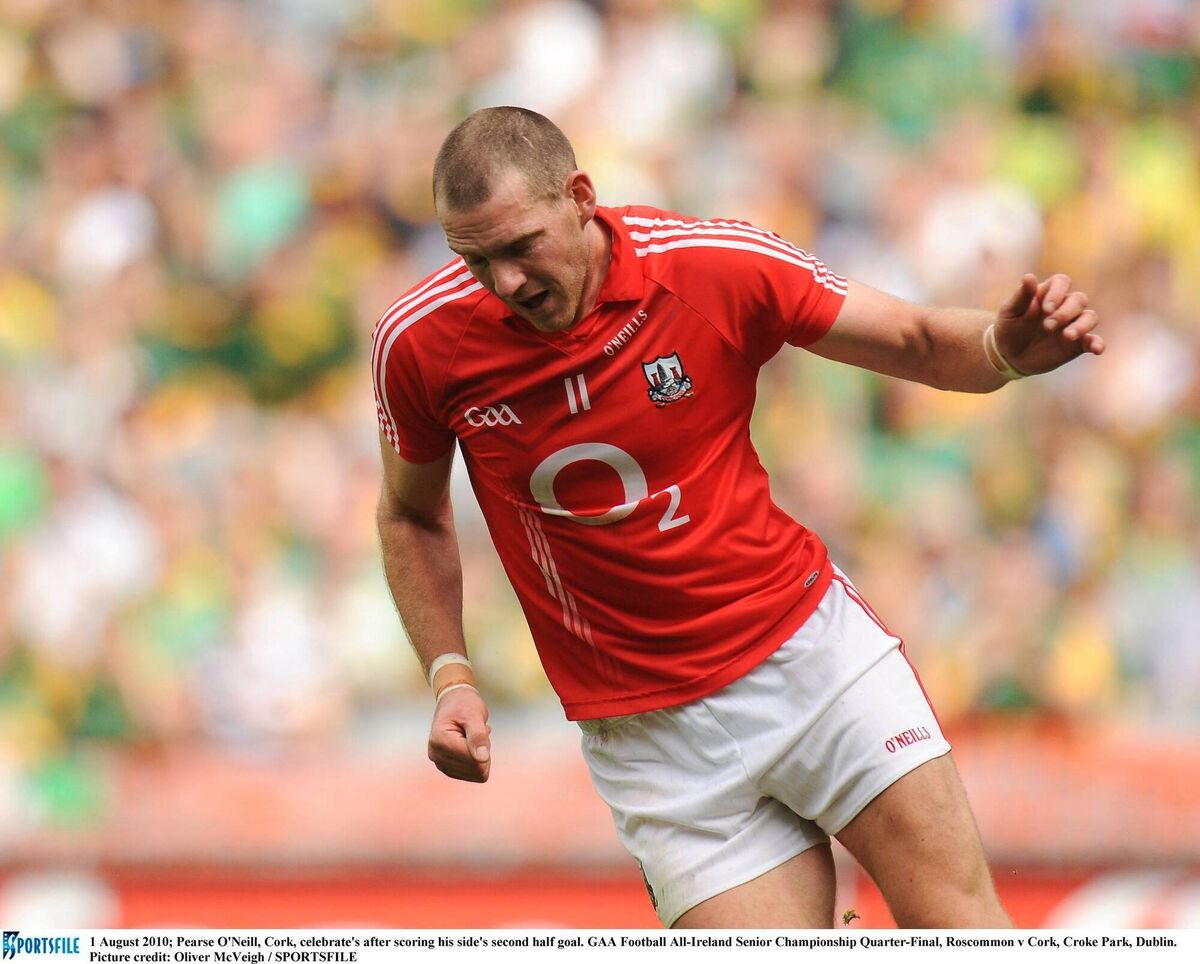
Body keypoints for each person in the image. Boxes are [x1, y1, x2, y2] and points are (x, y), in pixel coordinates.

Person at [372, 107, 1103, 929]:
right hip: (651, 739)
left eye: (520, 247)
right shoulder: (420, 342)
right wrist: (450, 674)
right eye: (474, 259)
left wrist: (1003, 350)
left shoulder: (712, 264)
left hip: (812, 664)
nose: (504, 282)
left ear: (580, 195)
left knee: (964, 931)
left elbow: (917, 338)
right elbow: (410, 515)